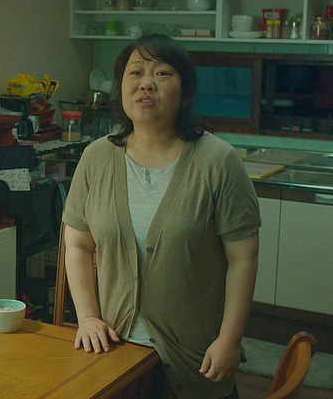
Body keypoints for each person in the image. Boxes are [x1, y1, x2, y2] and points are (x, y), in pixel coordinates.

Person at [61, 34, 260, 399]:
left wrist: (230, 340)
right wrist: (88, 318)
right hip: (114, 353)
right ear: (122, 88)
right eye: (135, 72)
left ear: (185, 93)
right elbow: (77, 245)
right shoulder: (96, 157)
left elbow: (242, 258)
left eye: (163, 73)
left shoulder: (218, 161)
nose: (146, 83)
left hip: (196, 358)